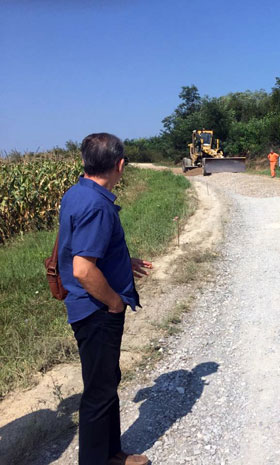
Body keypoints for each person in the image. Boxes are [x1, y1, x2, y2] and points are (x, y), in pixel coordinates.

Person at [58, 133, 153, 465]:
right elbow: (84, 269)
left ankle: (112, 453)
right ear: (120, 165)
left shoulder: (78, 192)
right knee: (99, 392)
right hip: (97, 310)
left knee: (107, 382)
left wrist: (121, 260)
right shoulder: (97, 205)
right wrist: (114, 302)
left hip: (93, 307)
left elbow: (83, 247)